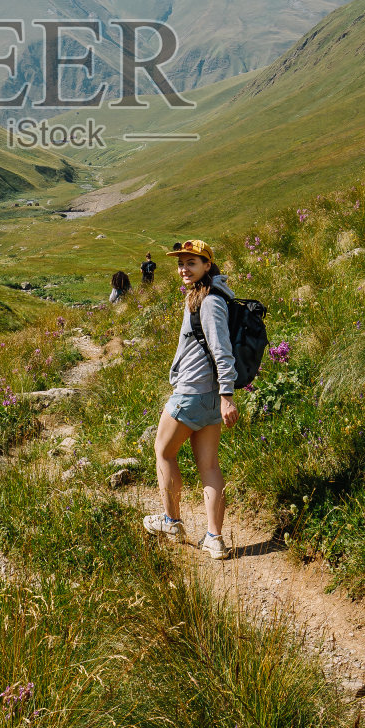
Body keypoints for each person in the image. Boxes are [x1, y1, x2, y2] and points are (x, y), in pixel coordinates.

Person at [142, 237, 237, 559]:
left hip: (193, 393)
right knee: (209, 465)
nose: (184, 268)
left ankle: (171, 522)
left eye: (191, 263)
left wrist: (227, 395)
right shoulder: (208, 295)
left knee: (164, 452)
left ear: (207, 265)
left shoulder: (209, 301)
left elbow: (222, 351)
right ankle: (214, 538)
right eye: (181, 263)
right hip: (209, 396)